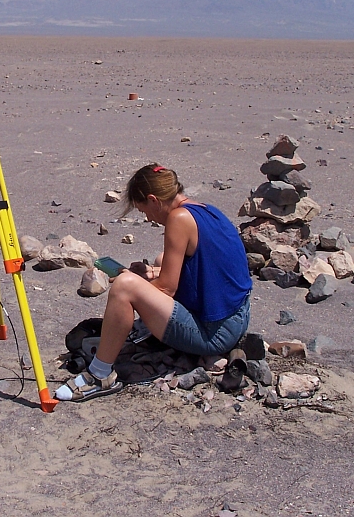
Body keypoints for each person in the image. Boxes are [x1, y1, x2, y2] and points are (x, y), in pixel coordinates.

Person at [55, 163, 252, 402]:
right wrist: (150, 273)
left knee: (125, 287)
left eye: (144, 210)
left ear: (153, 200)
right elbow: (205, 265)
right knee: (160, 261)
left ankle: (100, 375)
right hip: (237, 318)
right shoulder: (203, 209)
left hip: (214, 334)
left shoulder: (178, 219)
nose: (148, 218)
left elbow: (167, 288)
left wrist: (132, 285)